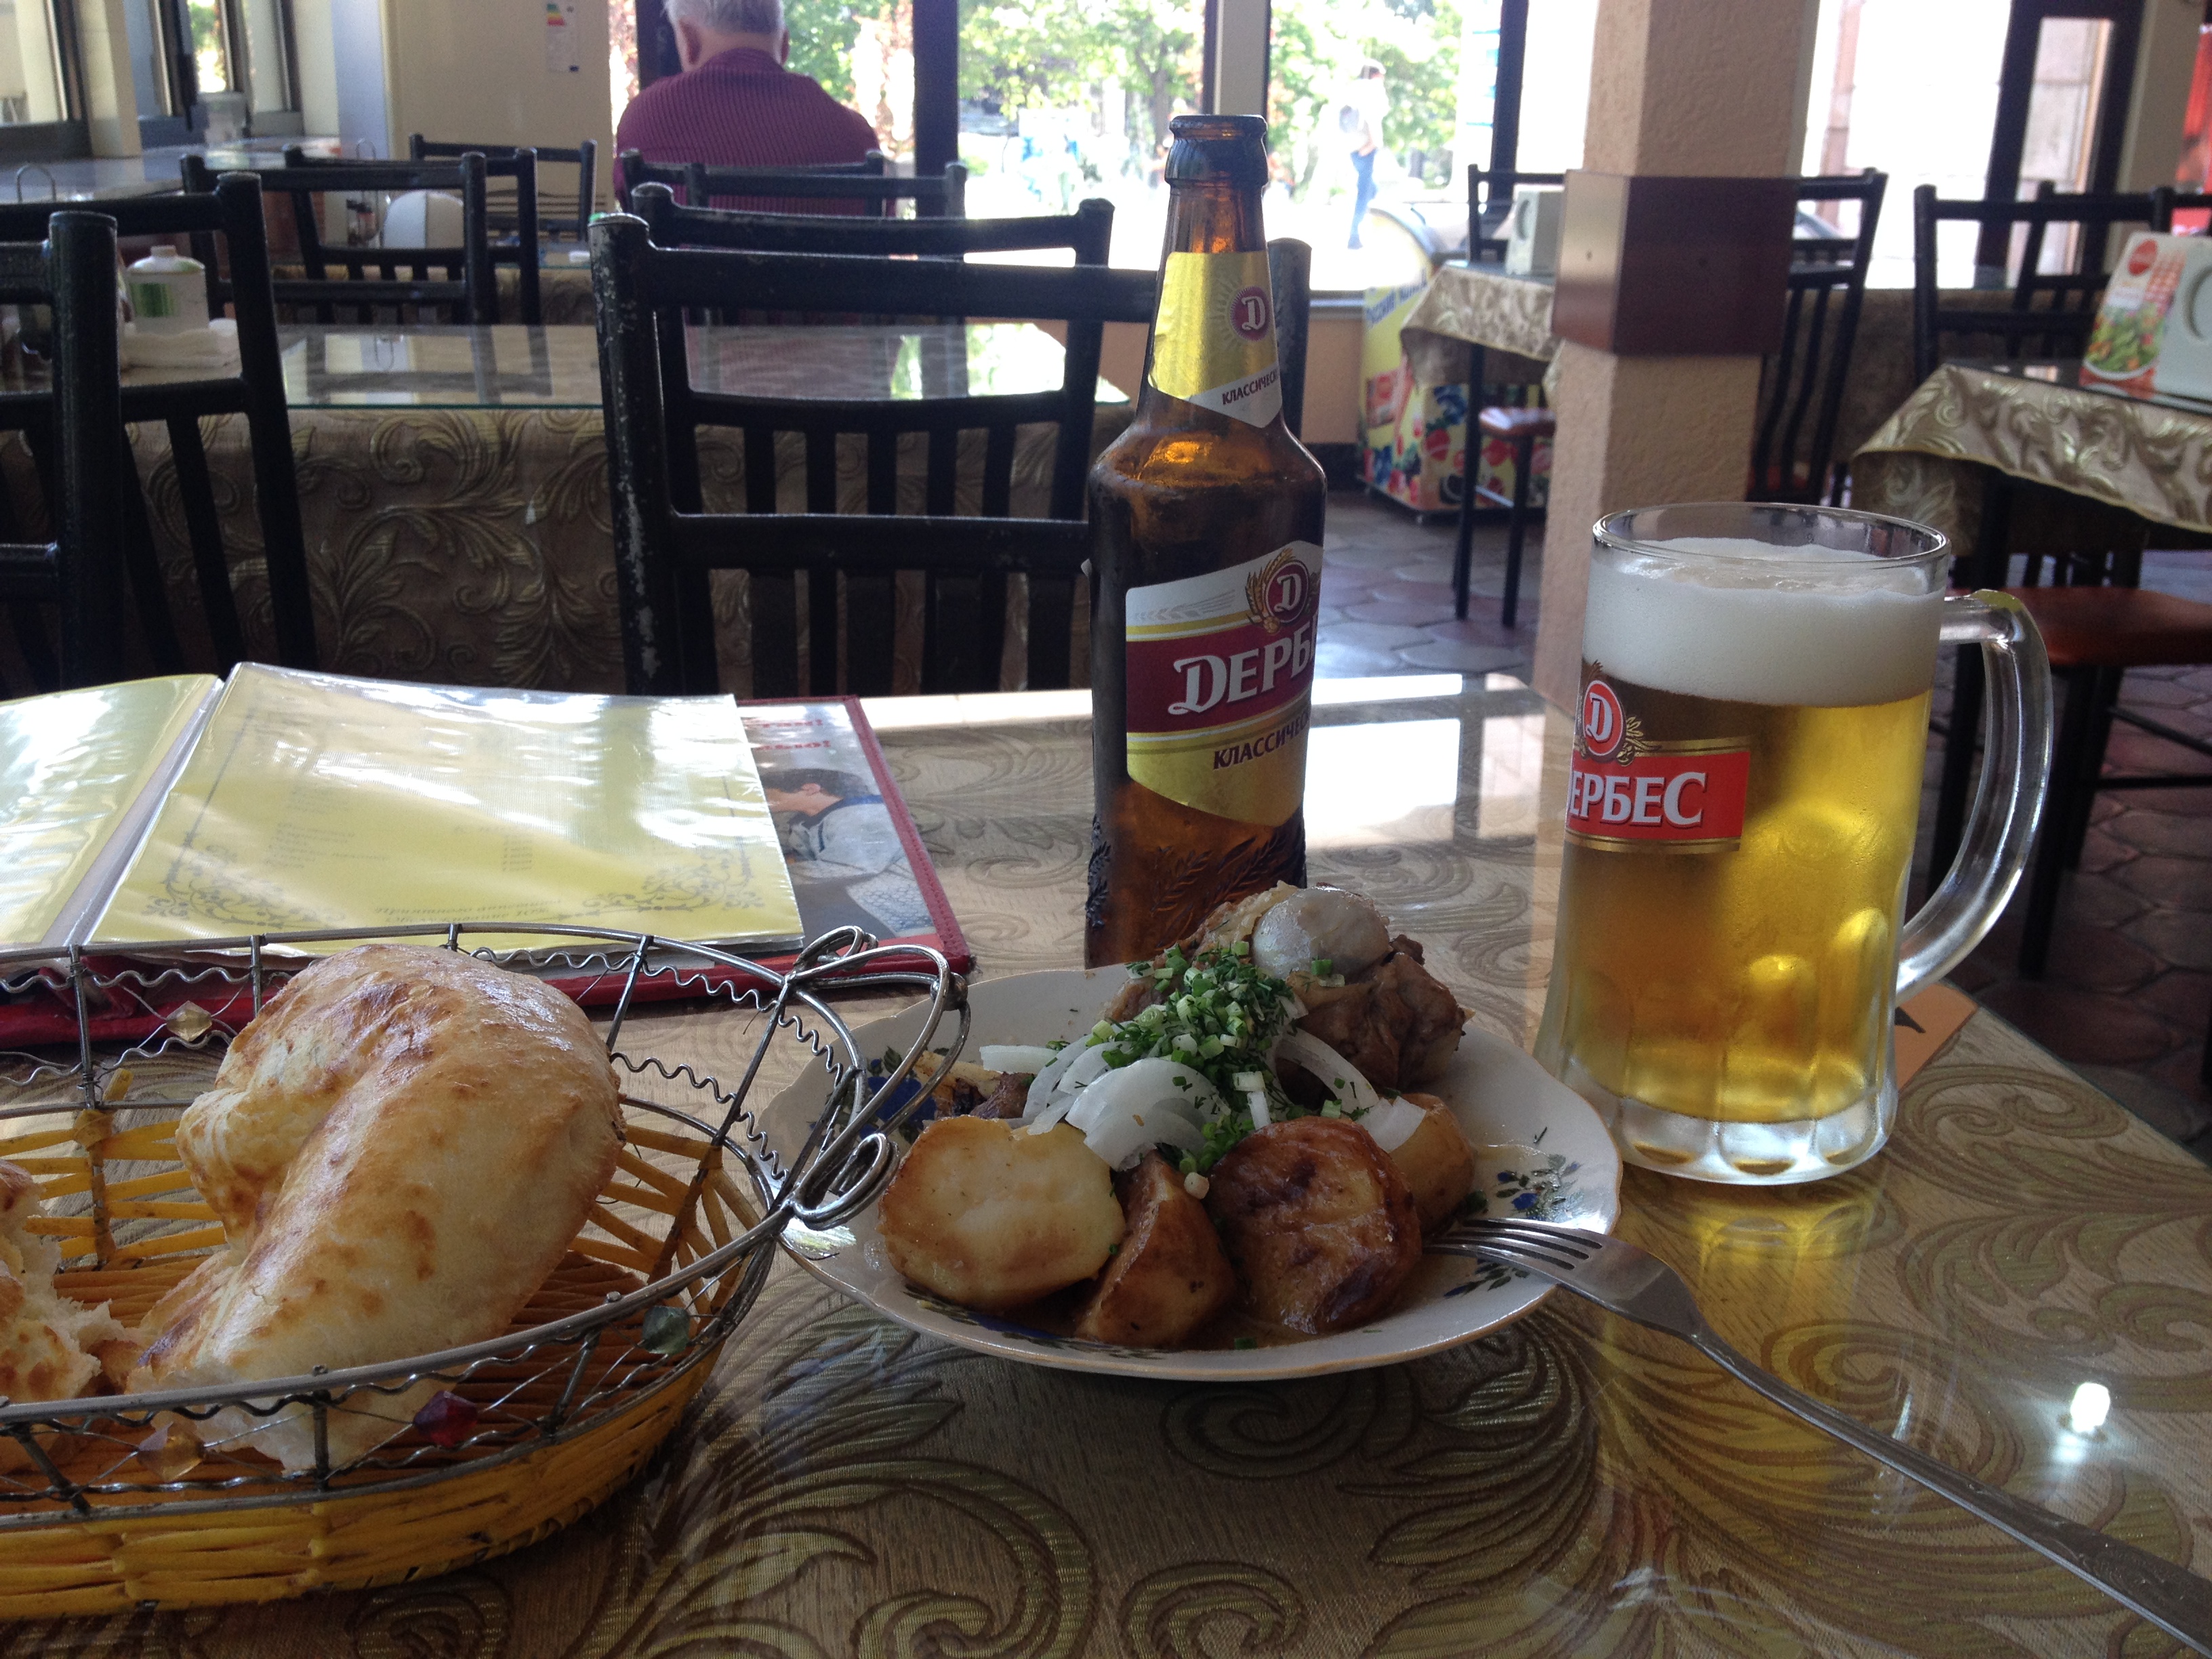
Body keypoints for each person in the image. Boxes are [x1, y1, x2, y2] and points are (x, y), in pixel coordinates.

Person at [615, 0, 878, 203]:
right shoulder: (858, 140)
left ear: (688, 40)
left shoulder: (645, 120)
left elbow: (630, 225)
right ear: (785, 45)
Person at [760, 765, 933, 940]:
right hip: (846, 897)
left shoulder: (865, 814)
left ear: (810, 789)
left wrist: (775, 877)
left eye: (767, 794)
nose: (763, 800)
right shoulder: (806, 822)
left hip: (887, 903)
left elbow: (854, 866)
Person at [1340, 61, 1389, 251]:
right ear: (1376, 75)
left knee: (1371, 190)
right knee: (1365, 193)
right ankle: (1354, 235)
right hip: (1366, 147)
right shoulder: (1372, 90)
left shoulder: (1353, 89)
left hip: (1353, 147)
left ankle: (1359, 229)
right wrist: (1372, 144)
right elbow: (1373, 117)